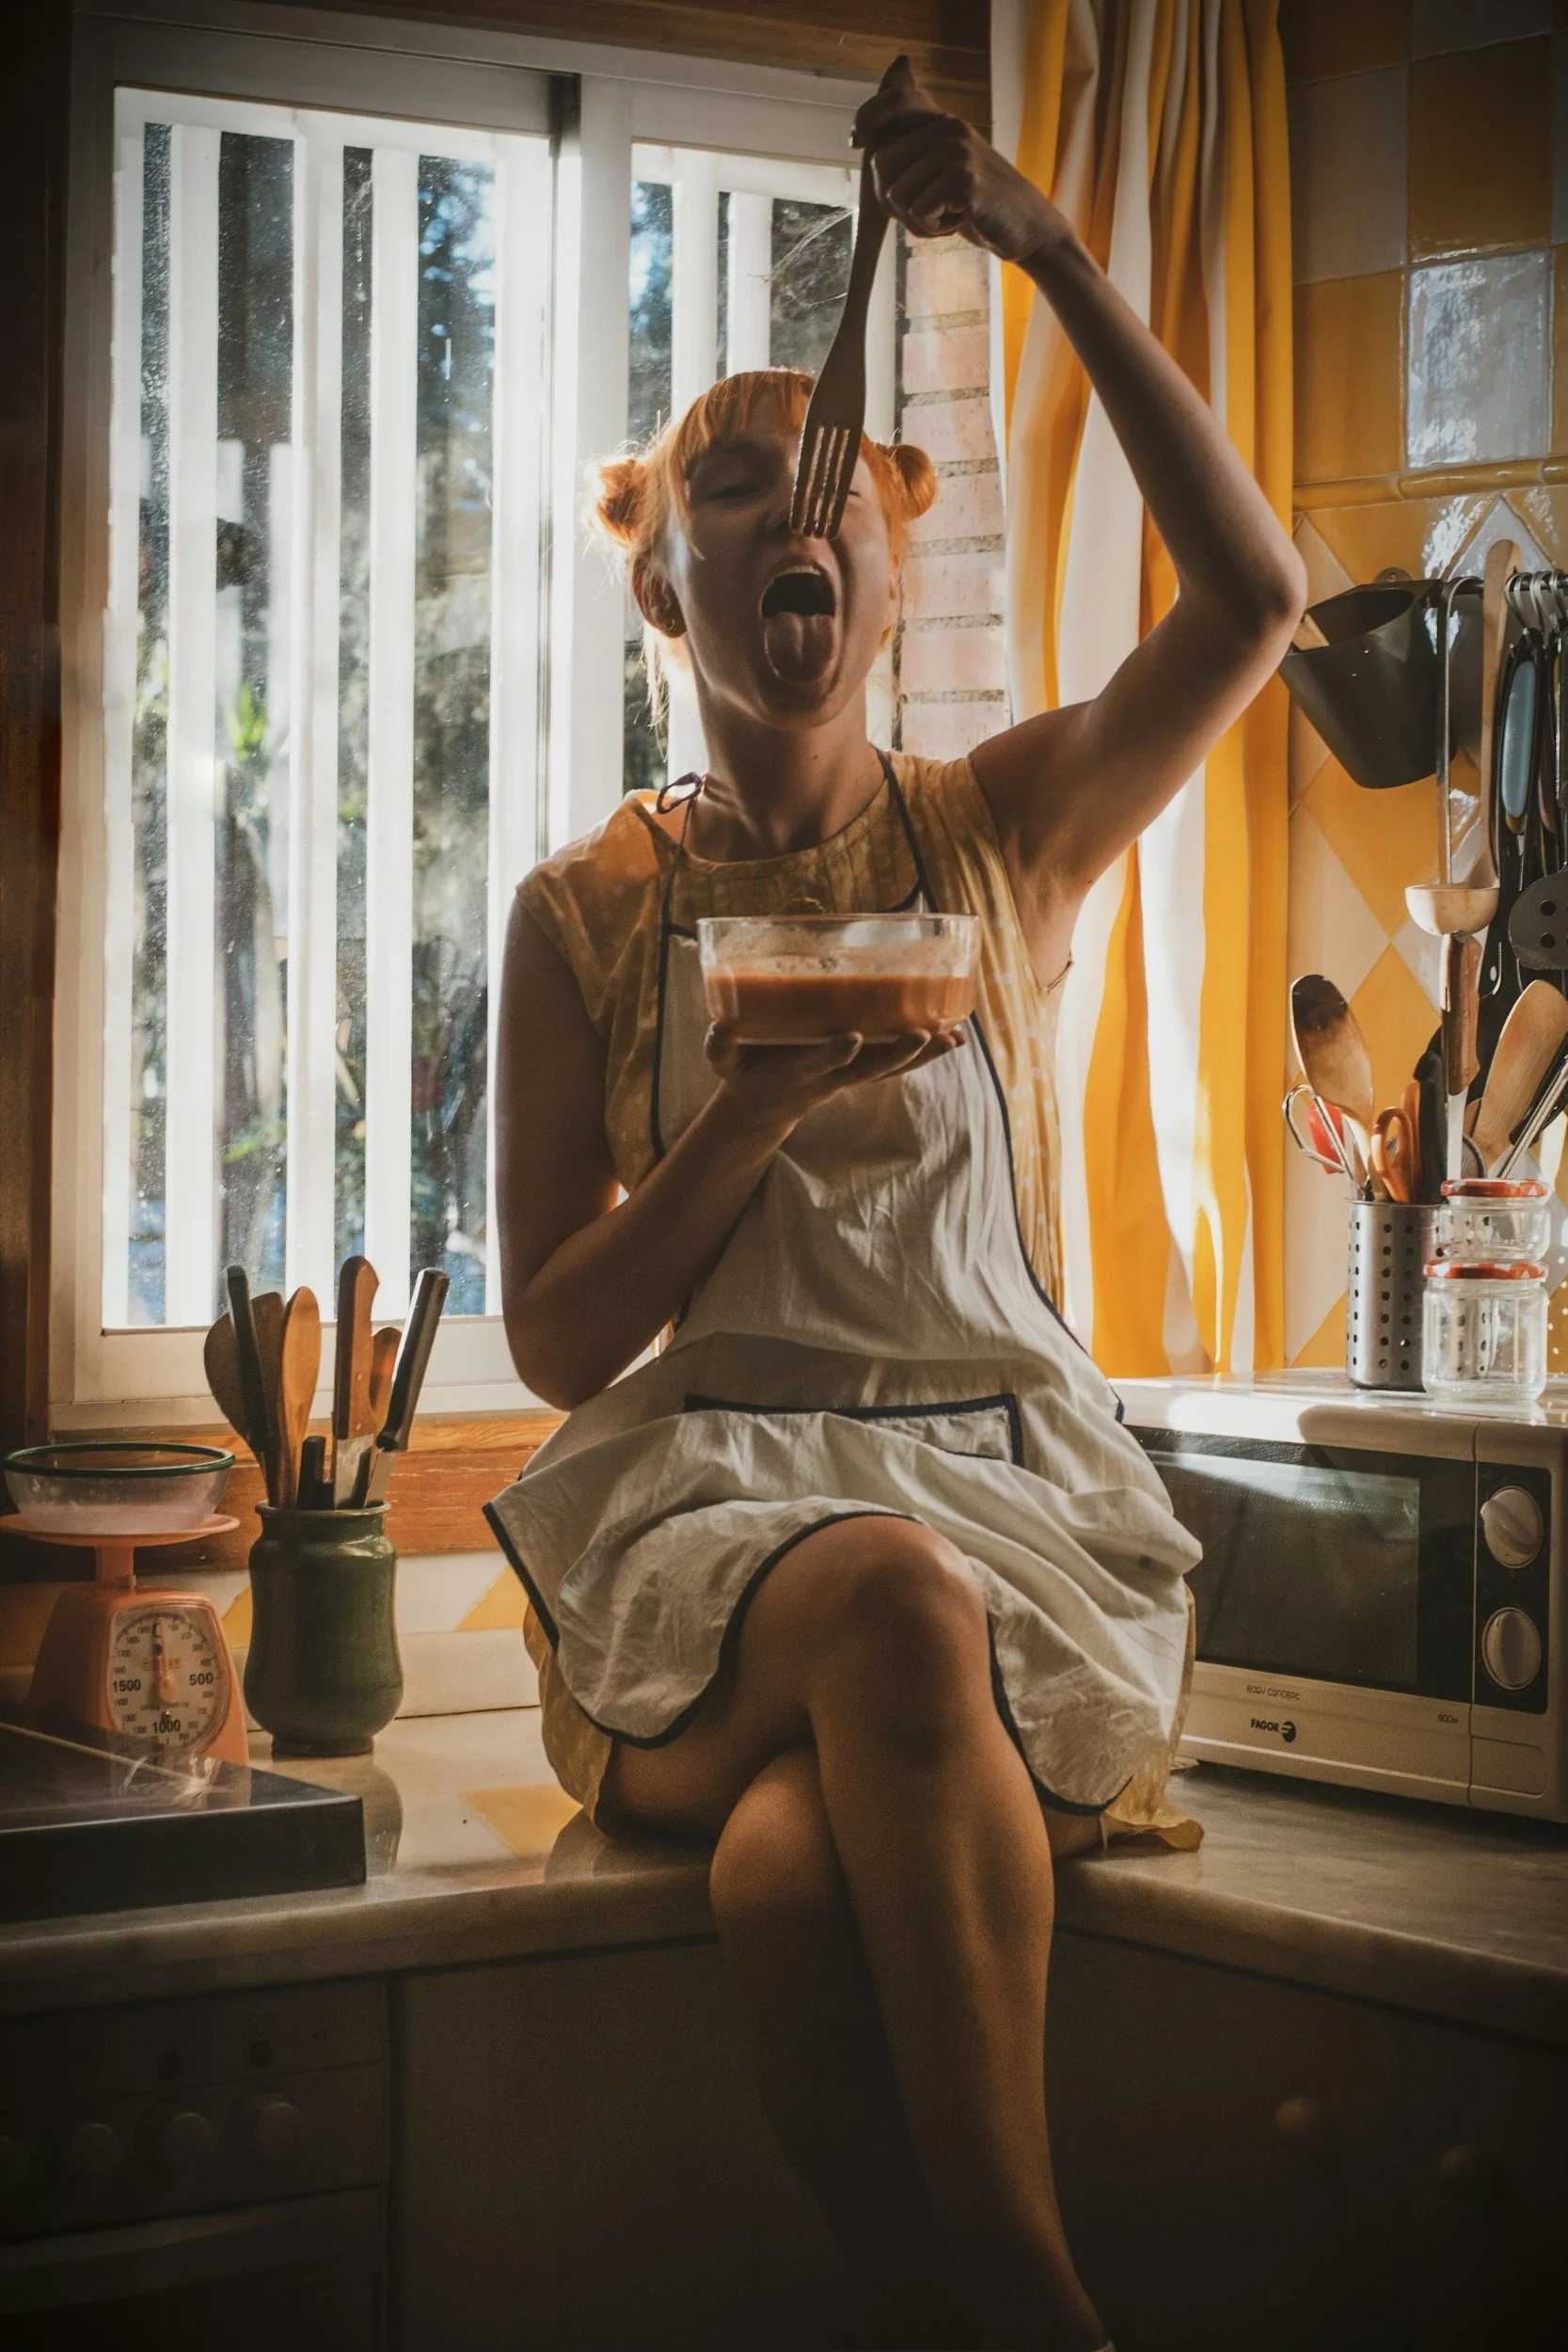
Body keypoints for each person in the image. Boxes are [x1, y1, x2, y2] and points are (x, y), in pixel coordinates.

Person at [487, 57, 1305, 2352]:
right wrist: (749, 1111)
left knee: (782, 1869)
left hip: (1000, 1500)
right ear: (664, 569)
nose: (789, 506)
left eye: (828, 479)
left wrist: (1040, 243)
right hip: (717, 1524)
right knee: (871, 1588)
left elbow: (1252, 598)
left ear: (883, 574)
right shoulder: (584, 911)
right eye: (732, 482)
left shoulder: (997, 831)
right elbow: (556, 1349)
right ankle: (1049, 2309)